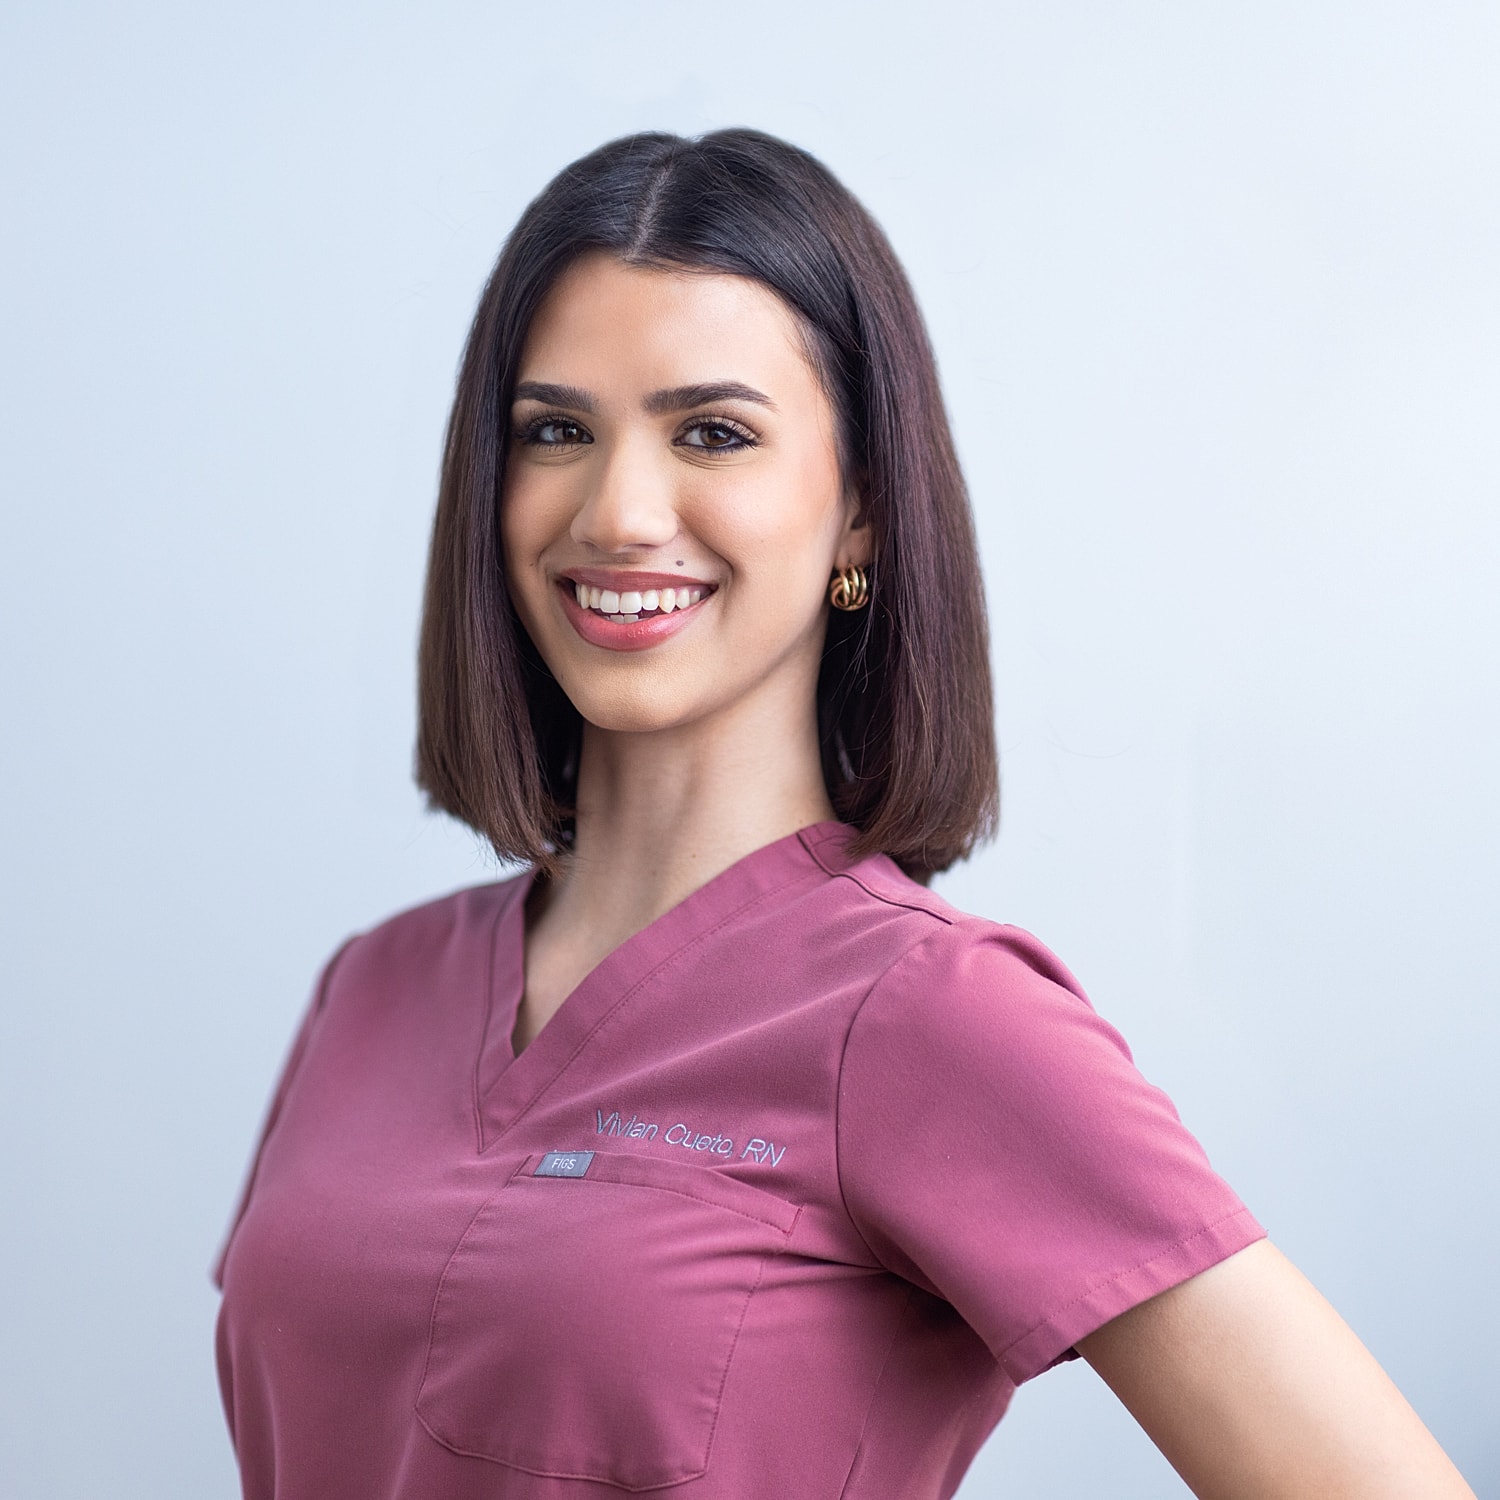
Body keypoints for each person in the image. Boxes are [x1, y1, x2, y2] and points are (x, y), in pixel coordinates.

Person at [213, 129, 1474, 1500]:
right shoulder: (375, 989)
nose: (621, 509)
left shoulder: (930, 1013)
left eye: (714, 433)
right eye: (557, 432)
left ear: (860, 508)